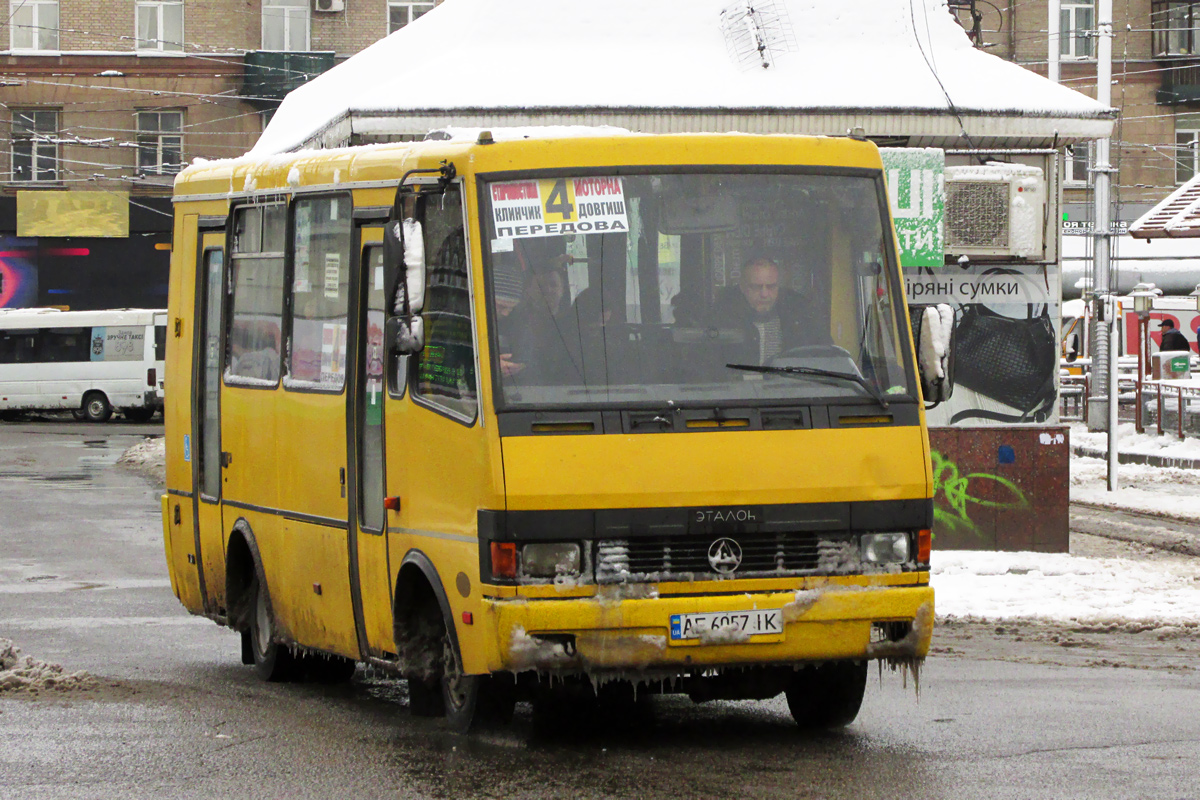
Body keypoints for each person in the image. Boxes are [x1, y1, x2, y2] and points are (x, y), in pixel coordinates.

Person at [712, 257, 811, 365]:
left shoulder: (799, 312)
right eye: (756, 287)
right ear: (742, 287)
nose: (764, 294)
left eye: (771, 287)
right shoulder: (722, 316)